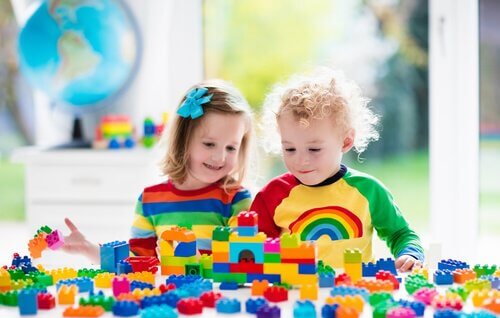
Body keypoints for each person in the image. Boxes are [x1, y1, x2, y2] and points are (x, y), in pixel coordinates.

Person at [251, 68, 424, 271]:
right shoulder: (273, 195)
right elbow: (253, 247)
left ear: (346, 141)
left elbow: (400, 234)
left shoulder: (368, 191)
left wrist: (409, 253)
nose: (301, 160)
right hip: (295, 296)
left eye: (314, 149)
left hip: (354, 295)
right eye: (289, 148)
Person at [62, 80, 254, 262]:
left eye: (231, 148)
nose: (220, 157)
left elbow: (243, 261)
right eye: (209, 144)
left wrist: (198, 264)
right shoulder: (150, 201)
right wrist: (88, 248)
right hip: (169, 296)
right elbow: (136, 262)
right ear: (183, 140)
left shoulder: (237, 199)